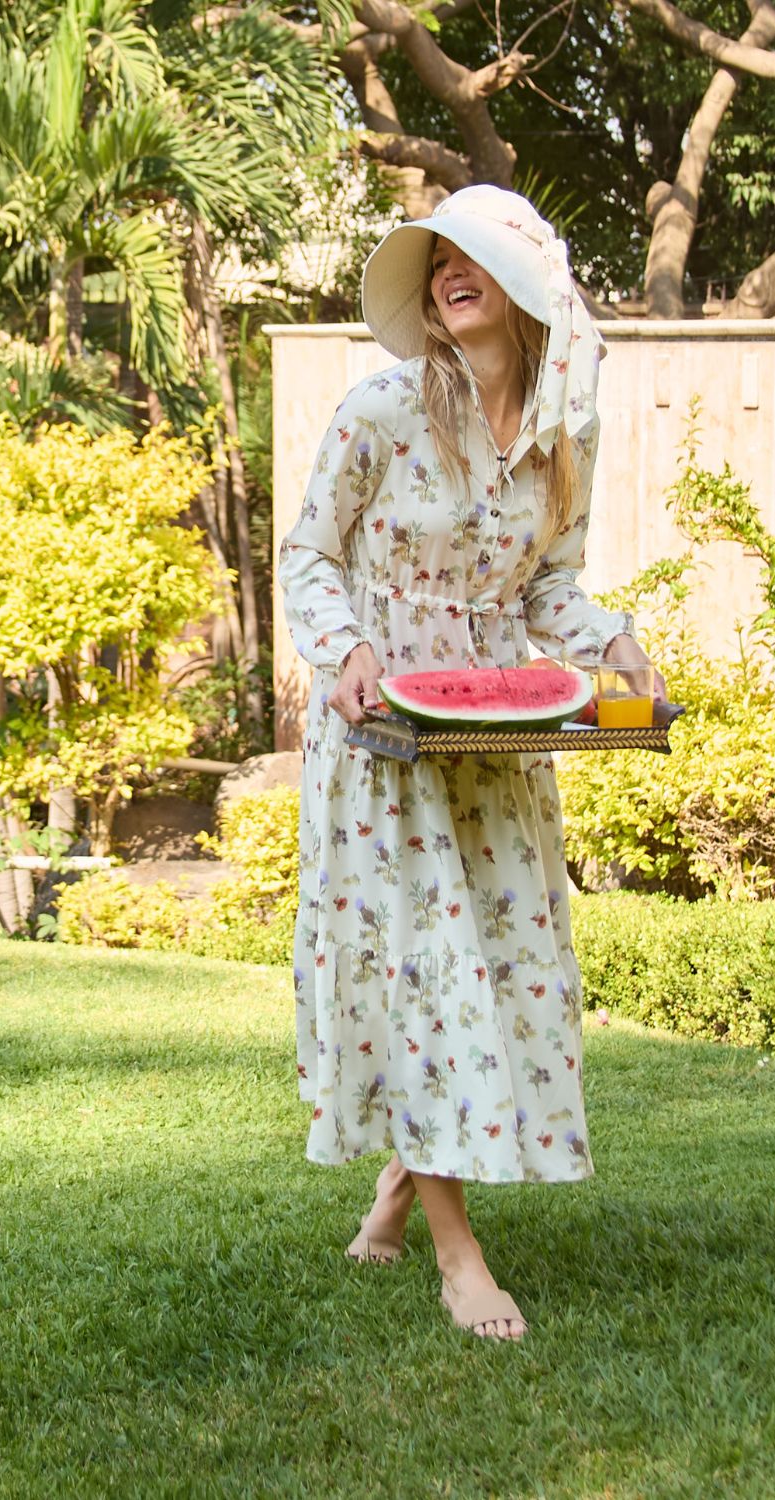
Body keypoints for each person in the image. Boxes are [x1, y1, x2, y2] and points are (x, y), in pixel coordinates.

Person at [278, 186, 665, 1342]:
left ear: (526, 288)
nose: (449, 269)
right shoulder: (382, 410)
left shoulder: (563, 437)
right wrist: (344, 652)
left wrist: (613, 644)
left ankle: (399, 1188)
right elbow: (307, 553)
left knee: (490, 965)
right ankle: (459, 1255)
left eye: (474, 256)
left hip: (497, 739)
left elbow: (548, 587)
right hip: (383, 726)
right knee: (420, 971)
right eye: (438, 255)